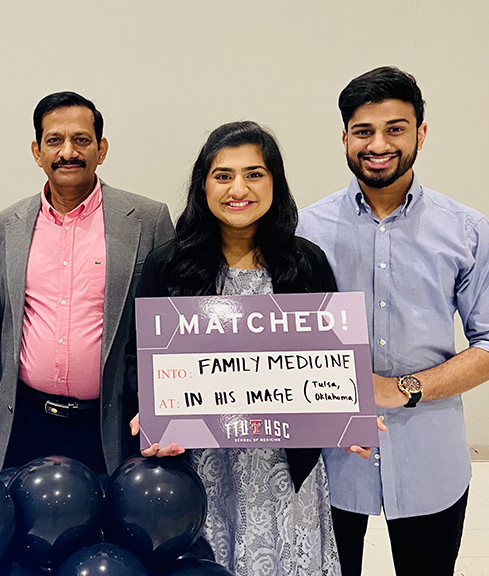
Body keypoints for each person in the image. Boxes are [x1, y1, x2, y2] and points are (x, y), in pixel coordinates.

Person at [298, 66, 489, 576]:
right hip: (330, 462)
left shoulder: (465, 229)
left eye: (395, 128)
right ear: (345, 138)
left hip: (431, 459)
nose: (379, 144)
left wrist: (404, 388)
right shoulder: (304, 229)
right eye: (364, 131)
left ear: (421, 132)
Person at [129, 121, 343, 576]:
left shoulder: (306, 264)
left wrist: (348, 415)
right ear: (203, 184)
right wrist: (148, 409)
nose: (238, 189)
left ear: (275, 183)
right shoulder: (169, 265)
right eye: (223, 175)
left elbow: (333, 360)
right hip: (199, 463)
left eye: (254, 174)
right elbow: (138, 358)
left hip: (284, 470)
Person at [0, 91, 175, 475]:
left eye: (81, 140)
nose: (67, 152)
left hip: (111, 425)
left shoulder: (148, 220)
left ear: (101, 149)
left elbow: (167, 326)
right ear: (37, 151)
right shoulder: (6, 224)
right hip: (25, 421)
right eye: (54, 140)